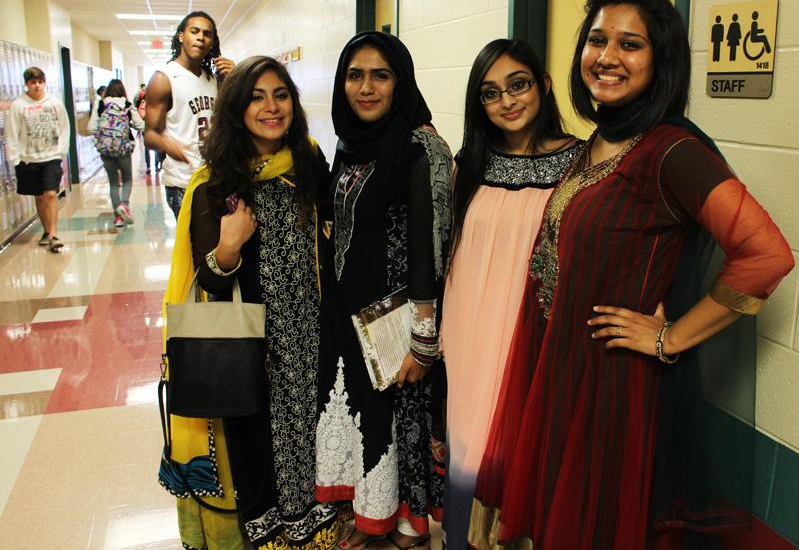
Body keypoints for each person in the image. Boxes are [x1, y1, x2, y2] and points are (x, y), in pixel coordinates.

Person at [469, 0, 795, 548]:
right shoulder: (601, 140)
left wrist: (669, 337)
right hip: (559, 372)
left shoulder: (672, 151)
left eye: (630, 44)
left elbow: (765, 255)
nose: (607, 57)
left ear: (661, 59)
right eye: (597, 40)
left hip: (612, 390)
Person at [159, 56, 343, 549]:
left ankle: (315, 535)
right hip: (253, 350)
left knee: (312, 445)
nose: (271, 107)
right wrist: (229, 246)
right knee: (260, 452)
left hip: (311, 340)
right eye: (256, 97)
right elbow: (207, 285)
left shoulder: (306, 159)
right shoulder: (215, 184)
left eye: (280, 95)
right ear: (237, 109)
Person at [439, 38, 584, 549]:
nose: (507, 101)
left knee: (529, 451)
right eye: (490, 93)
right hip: (469, 336)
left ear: (543, 85)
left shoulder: (580, 164)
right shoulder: (470, 165)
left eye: (518, 84)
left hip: (536, 335)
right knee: (471, 449)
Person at [314, 31, 452, 550]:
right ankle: (372, 512)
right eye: (355, 75)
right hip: (350, 317)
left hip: (395, 322)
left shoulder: (419, 147)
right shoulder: (348, 147)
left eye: (381, 75)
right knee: (368, 420)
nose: (366, 88)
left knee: (401, 421)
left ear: (401, 82)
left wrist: (422, 339)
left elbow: (429, 249)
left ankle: (408, 527)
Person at [143, 10, 234, 220]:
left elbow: (233, 120)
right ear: (181, 36)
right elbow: (149, 135)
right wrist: (170, 146)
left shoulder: (213, 79)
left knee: (217, 248)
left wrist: (234, 78)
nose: (201, 37)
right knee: (195, 251)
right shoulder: (164, 78)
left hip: (214, 179)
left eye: (207, 34)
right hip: (183, 183)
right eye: (195, 31)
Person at [6, 66, 70, 253]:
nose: (37, 86)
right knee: (40, 197)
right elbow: (11, 133)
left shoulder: (55, 103)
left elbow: (65, 128)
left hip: (51, 157)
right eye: (33, 82)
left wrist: (61, 152)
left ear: (44, 82)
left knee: (51, 194)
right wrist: (15, 159)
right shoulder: (19, 105)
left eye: (40, 82)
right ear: (26, 84)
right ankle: (46, 230)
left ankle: (53, 235)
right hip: (28, 159)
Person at [88, 78, 143, 227]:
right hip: (123, 149)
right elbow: (140, 125)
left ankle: (118, 217)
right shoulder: (127, 104)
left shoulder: (100, 104)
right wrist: (128, 123)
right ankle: (124, 205)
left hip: (105, 150)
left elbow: (91, 128)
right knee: (127, 179)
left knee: (113, 183)